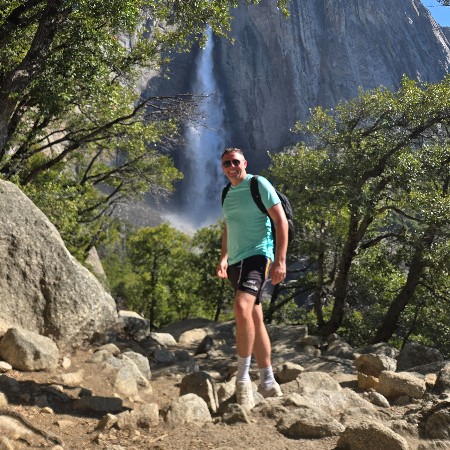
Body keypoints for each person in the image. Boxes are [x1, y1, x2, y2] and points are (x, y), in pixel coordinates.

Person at [216, 147, 288, 409]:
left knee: (241, 306)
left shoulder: (259, 184)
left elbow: (281, 222)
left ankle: (243, 378)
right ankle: (268, 382)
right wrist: (224, 258)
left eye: (235, 162)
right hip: (236, 261)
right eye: (227, 163)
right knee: (254, 317)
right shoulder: (226, 193)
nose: (231, 167)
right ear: (222, 167)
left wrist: (280, 261)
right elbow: (228, 226)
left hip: (258, 255)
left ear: (244, 163)